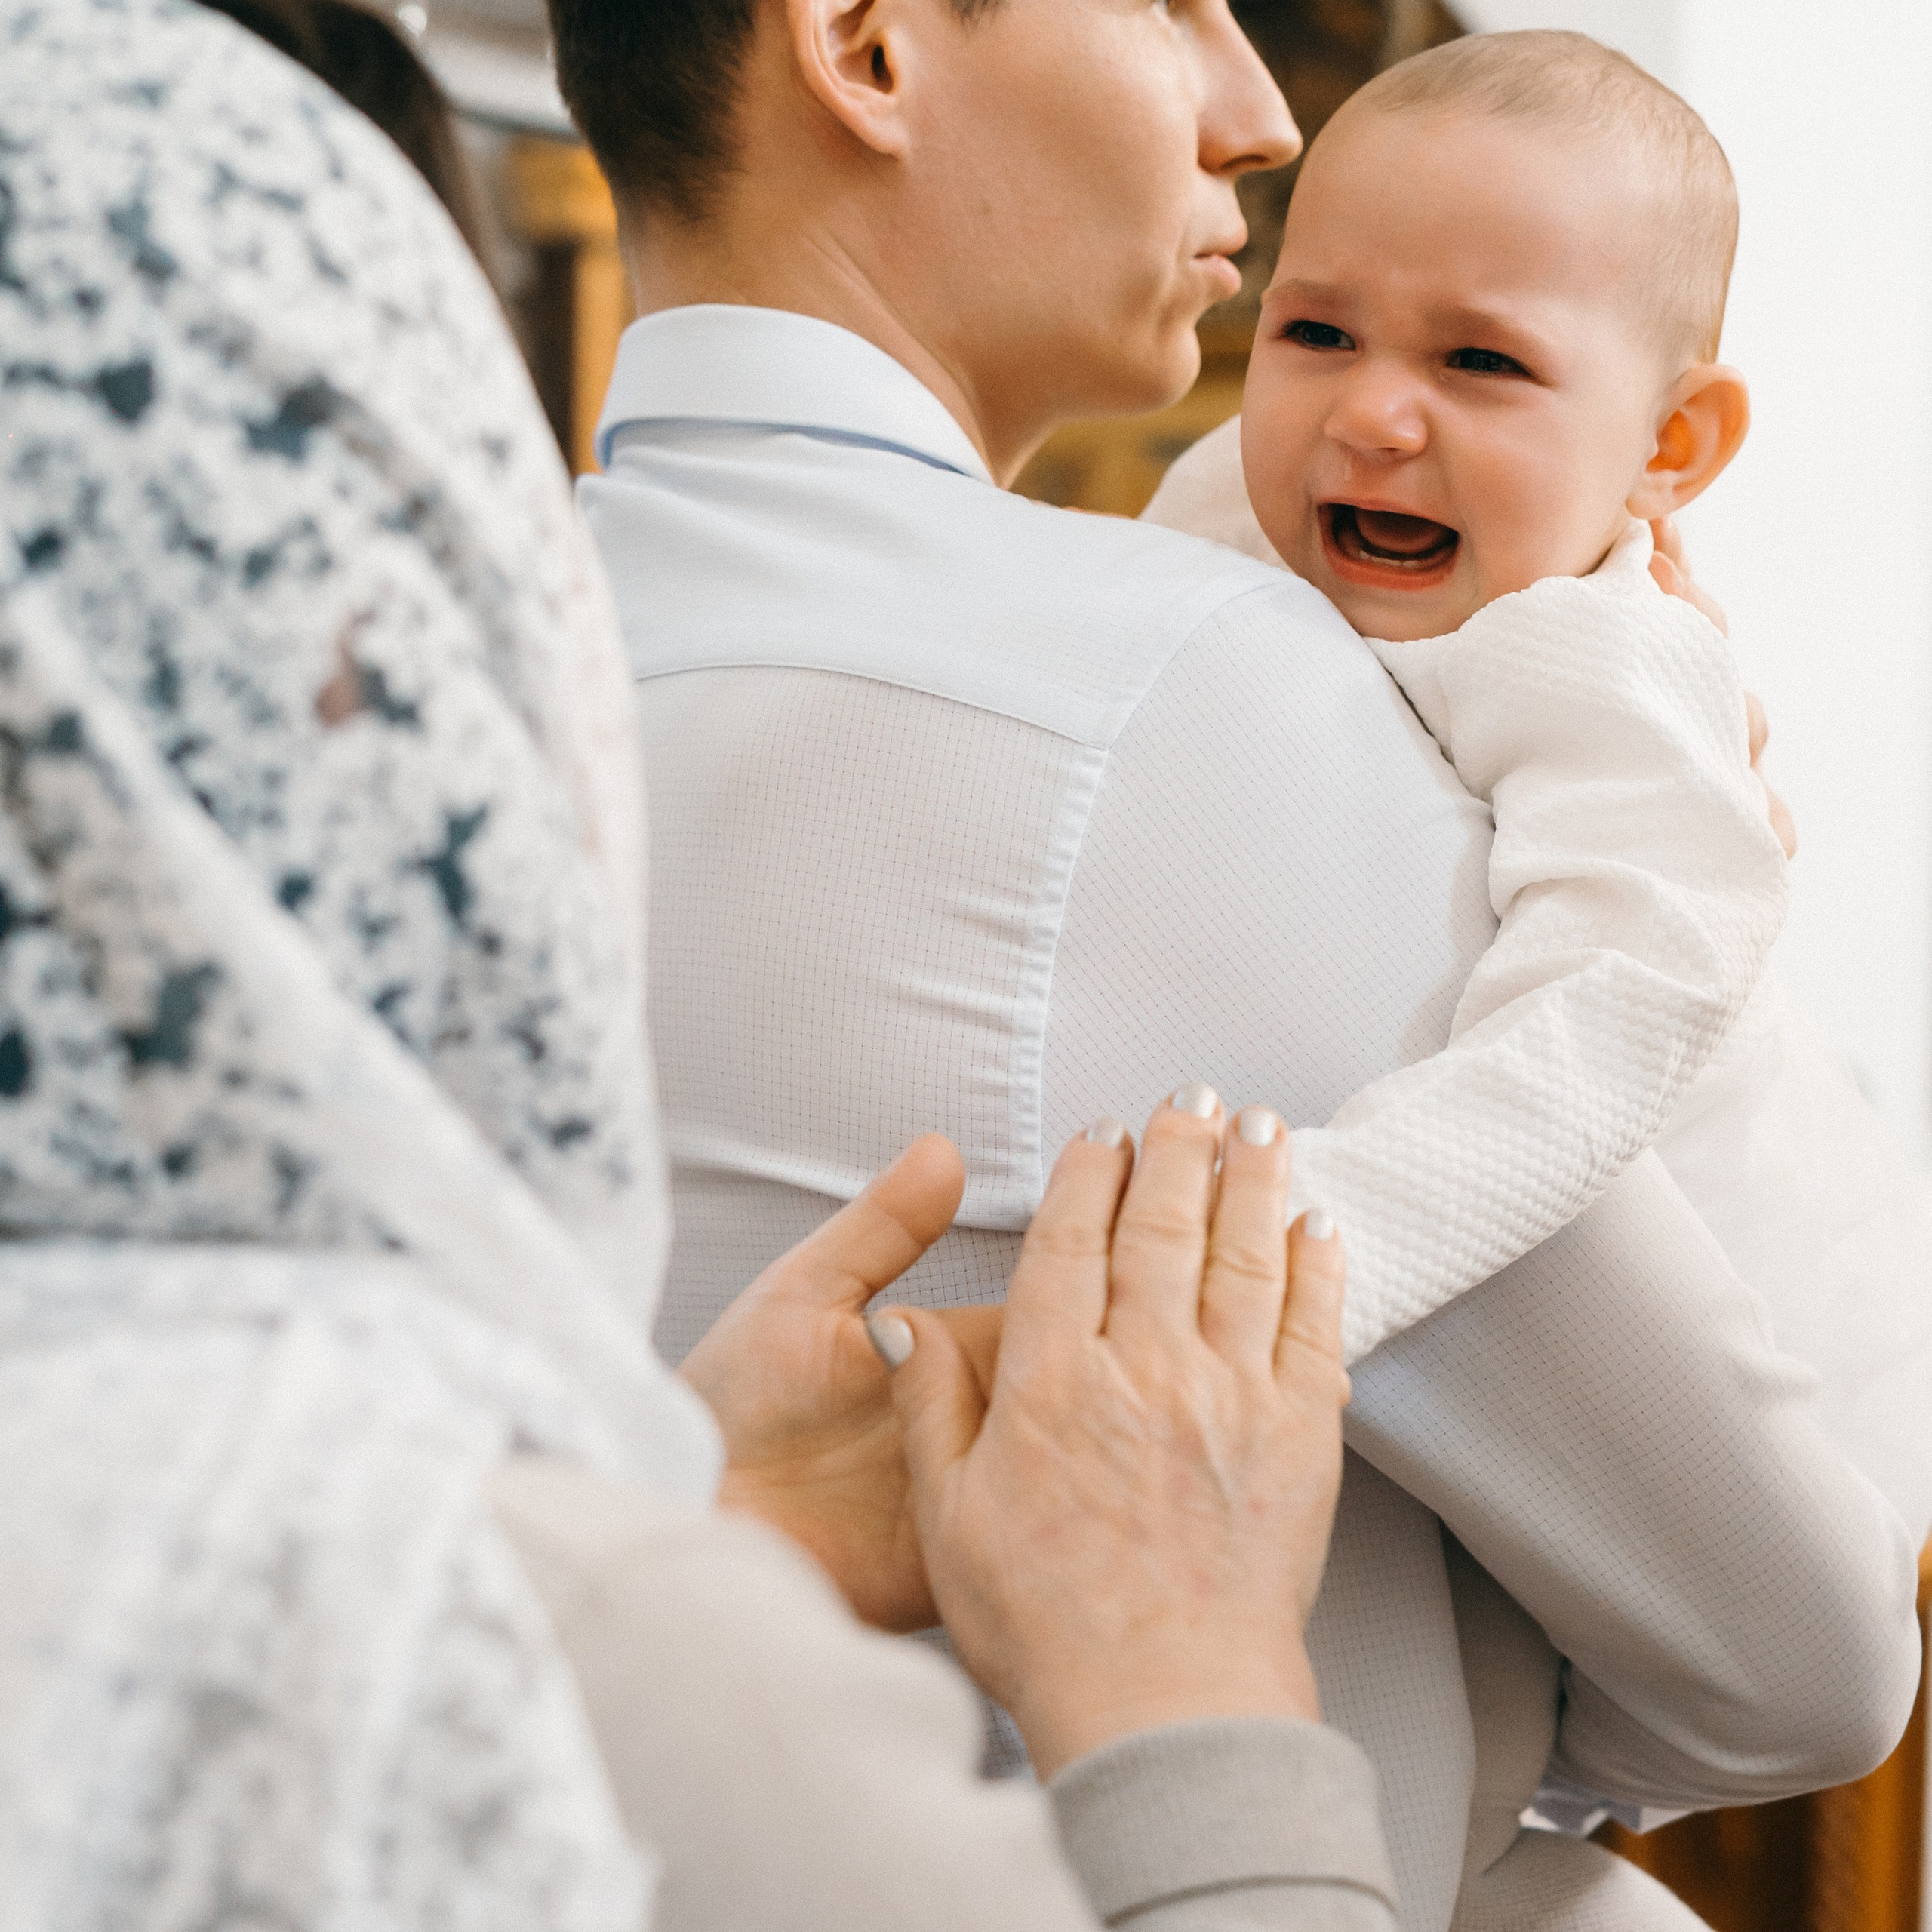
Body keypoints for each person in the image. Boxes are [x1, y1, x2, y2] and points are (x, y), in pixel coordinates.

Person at [0, 3, 1395, 1926]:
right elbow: (1804, 1656)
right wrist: (1185, 1680)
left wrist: (689, 1506)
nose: (1257, 115)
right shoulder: (490, 1637)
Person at [556, 2, 1925, 1927]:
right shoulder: (1205, 690)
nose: (1256, 106)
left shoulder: (418, 680)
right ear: (863, 44)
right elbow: (1805, 1660)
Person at [1147, 30, 1932, 1542]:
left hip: (1760, 1362)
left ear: (1667, 446)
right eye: (1312, 333)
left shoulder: (1600, 659)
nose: (1369, 414)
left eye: (1478, 362)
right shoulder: (1219, 513)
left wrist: (1330, 1235)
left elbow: (1617, 995)